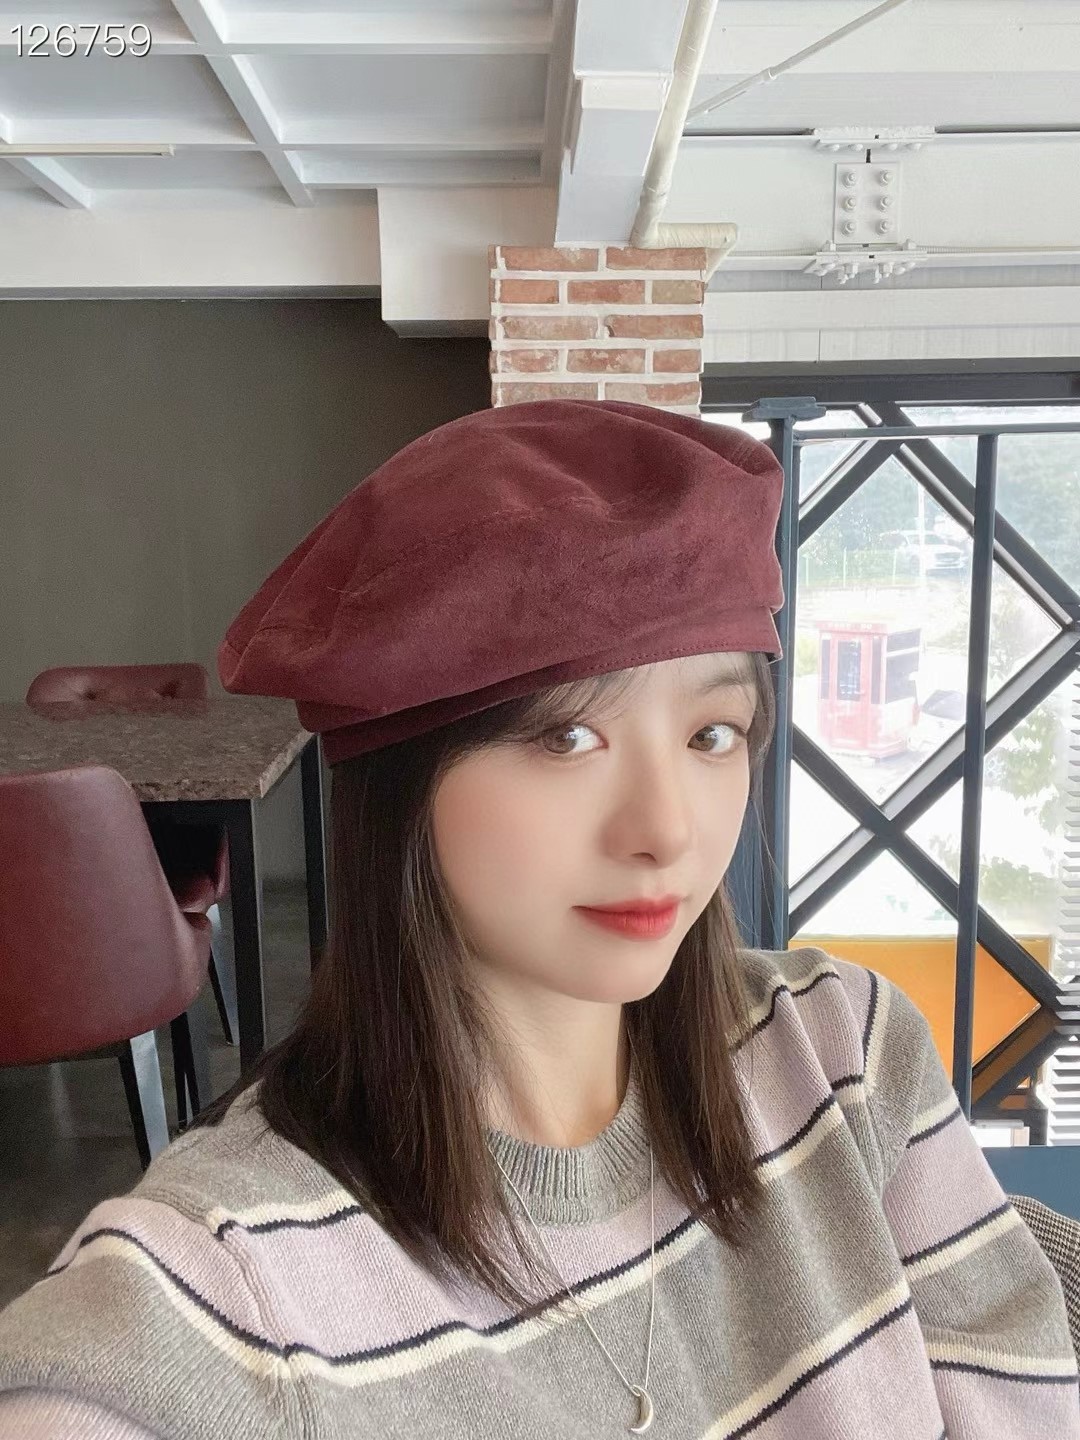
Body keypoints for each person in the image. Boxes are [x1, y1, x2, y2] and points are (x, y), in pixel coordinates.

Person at [0, 399, 1076, 1439]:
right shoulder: (238, 1283)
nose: (667, 830)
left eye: (710, 734)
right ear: (401, 785)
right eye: (566, 739)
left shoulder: (844, 1053)